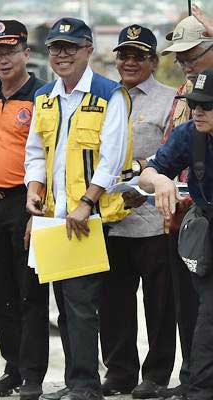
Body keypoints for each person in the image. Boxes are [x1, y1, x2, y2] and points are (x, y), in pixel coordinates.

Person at [24, 18, 132, 400]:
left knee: (83, 304)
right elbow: (36, 151)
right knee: (66, 307)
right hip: (54, 217)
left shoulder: (109, 94)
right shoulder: (46, 97)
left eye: (71, 47)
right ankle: (75, 383)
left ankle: (86, 385)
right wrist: (33, 190)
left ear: (89, 49)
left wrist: (87, 202)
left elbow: (112, 157)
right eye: (56, 48)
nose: (62, 54)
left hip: (90, 216)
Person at [0, 19, 48, 400]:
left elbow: (47, 155)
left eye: (10, 50)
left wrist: (38, 210)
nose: (3, 58)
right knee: (1, 292)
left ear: (26, 54)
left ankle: (33, 374)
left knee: (30, 291)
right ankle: (12, 369)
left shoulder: (41, 95)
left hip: (25, 203)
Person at [98, 25, 176, 399]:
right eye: (123, 55)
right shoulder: (104, 98)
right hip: (111, 221)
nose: (129, 62)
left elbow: (175, 157)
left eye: (138, 56)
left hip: (154, 221)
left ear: (153, 61)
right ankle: (120, 373)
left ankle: (157, 375)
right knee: (113, 304)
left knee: (159, 307)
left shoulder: (171, 100)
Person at [139, 68, 213, 400]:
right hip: (205, 232)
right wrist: (160, 180)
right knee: (206, 312)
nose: (198, 111)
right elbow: (148, 173)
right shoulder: (188, 135)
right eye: (194, 104)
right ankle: (198, 387)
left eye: (207, 106)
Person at [155, 7, 213, 398]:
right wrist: (160, 180)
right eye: (180, 56)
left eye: (192, 55)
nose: (183, 63)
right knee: (195, 312)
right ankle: (195, 380)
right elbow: (163, 157)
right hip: (191, 218)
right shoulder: (188, 96)